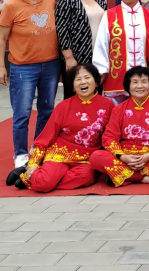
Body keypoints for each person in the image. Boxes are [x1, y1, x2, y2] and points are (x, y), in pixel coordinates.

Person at [9, 64, 114, 192]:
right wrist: (33, 163)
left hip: (86, 160)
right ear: (73, 87)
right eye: (78, 79)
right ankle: (38, 177)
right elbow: (45, 138)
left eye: (87, 77)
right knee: (43, 184)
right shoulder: (63, 106)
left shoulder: (107, 105)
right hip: (59, 155)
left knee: (86, 177)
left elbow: (111, 135)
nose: (83, 82)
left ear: (96, 82)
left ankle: (38, 179)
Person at [0, 0, 59, 172]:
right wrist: (0, 67)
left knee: (47, 109)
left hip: (50, 64)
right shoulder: (12, 5)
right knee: (22, 112)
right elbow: (1, 38)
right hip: (23, 67)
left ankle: (38, 148)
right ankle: (21, 154)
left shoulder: (50, 1)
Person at [90, 66, 149, 187]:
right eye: (135, 82)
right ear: (128, 86)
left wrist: (148, 155)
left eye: (144, 82)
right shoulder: (119, 109)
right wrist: (123, 157)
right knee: (96, 157)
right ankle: (145, 178)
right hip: (125, 156)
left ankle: (122, 175)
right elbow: (109, 137)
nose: (139, 86)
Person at [93, 0, 149, 104]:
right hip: (116, 75)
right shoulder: (109, 15)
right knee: (115, 110)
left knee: (141, 108)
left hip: (143, 73)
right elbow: (101, 43)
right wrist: (101, 70)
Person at [55, 0, 107, 98]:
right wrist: (69, 57)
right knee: (75, 93)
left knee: (97, 91)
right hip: (77, 56)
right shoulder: (65, 0)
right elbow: (62, 29)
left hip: (98, 55)